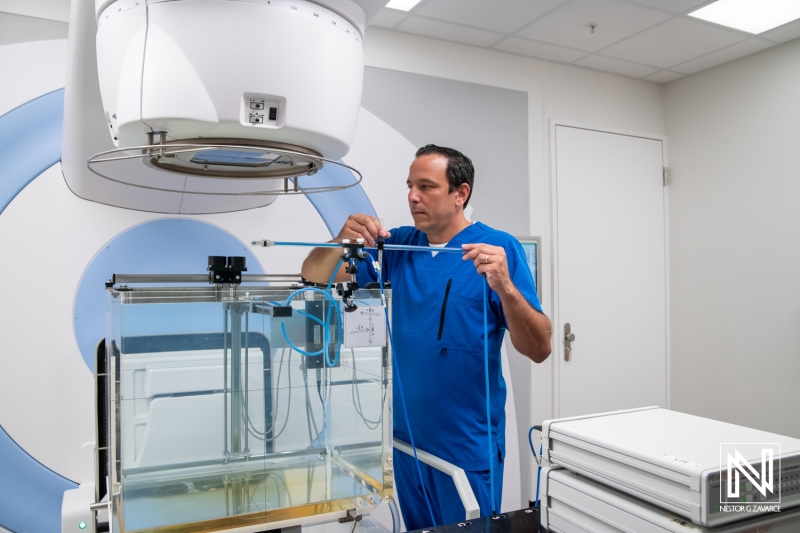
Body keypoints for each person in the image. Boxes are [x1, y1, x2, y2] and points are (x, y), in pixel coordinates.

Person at [301, 144, 551, 529]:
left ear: (460, 193)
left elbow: (540, 347)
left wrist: (506, 288)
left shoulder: (495, 251)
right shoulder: (399, 247)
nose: (412, 196)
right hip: (406, 443)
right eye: (409, 186)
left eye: (426, 186)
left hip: (465, 448)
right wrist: (340, 241)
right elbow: (315, 275)